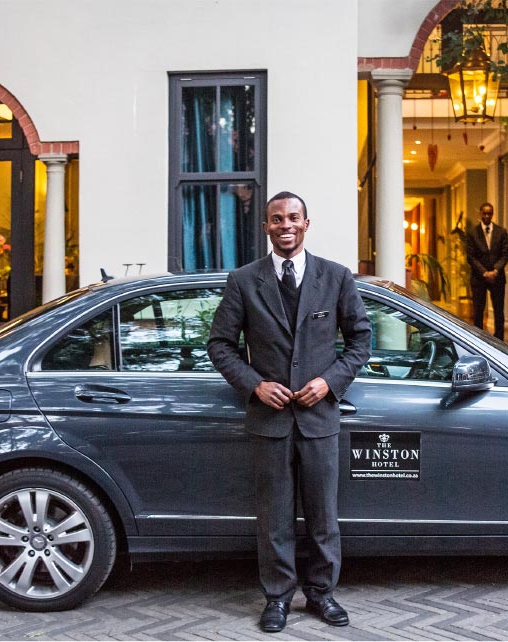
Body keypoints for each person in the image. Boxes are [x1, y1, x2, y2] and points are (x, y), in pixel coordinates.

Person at [207, 191, 372, 633]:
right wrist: (254, 385)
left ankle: (322, 594)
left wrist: (330, 381)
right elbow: (220, 346)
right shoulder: (243, 280)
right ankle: (277, 598)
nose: (286, 225)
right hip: (270, 421)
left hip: (320, 420)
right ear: (266, 226)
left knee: (323, 515)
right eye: (276, 219)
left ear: (306, 223)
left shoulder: (336, 277)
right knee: (274, 517)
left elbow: (360, 342)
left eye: (293, 217)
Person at [466, 202, 508, 341]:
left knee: (499, 311)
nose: (486, 216)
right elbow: (470, 256)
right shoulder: (473, 233)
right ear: (480, 213)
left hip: (497, 278)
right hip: (479, 278)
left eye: (489, 213)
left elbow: (505, 254)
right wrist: (484, 272)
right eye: (484, 213)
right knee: (478, 311)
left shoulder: (501, 232)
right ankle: (478, 341)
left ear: (492, 214)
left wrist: (495, 270)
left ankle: (500, 341)